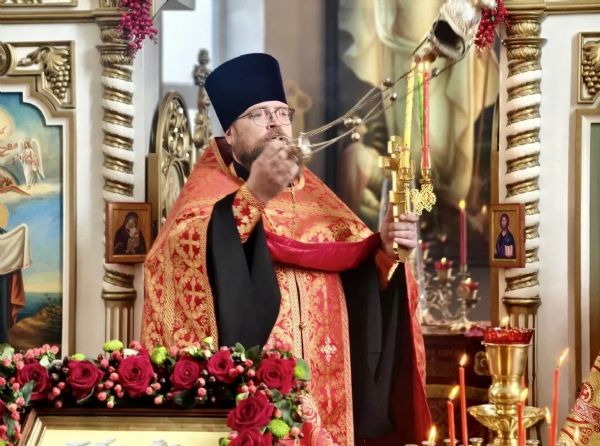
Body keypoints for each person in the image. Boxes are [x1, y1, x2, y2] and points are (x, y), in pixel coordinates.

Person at [141, 53, 430, 445]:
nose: (276, 124)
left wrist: (384, 253)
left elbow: (359, 280)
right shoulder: (206, 196)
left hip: (333, 401)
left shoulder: (319, 198)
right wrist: (254, 196)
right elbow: (180, 255)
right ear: (230, 134)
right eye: (259, 114)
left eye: (282, 113)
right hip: (257, 411)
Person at [0, 204, 28, 343]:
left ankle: (2, 343)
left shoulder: (7, 236)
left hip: (3, 280)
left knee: (2, 312)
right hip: (4, 277)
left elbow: (13, 255)